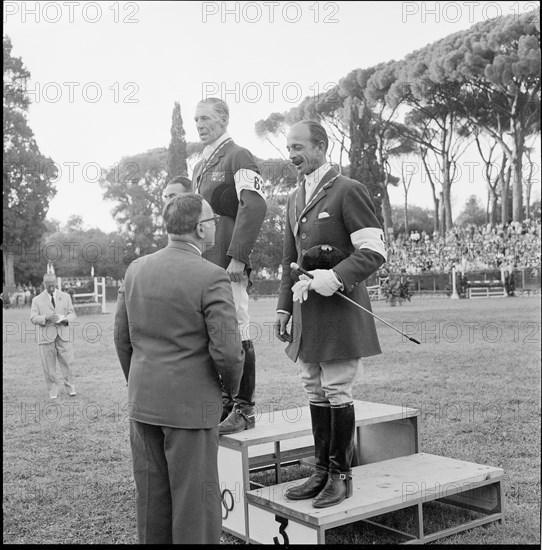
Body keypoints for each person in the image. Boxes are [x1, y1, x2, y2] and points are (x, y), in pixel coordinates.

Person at [114, 193, 244, 544]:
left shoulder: (136, 269)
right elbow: (229, 352)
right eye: (212, 220)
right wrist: (229, 392)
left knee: (152, 501)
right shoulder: (212, 276)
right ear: (201, 229)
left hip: (144, 402)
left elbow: (122, 339)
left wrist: (141, 381)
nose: (216, 225)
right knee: (195, 508)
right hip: (191, 406)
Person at [274, 120, 387, 508]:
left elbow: (374, 251)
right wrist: (283, 309)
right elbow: (288, 261)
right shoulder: (292, 198)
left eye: (299, 147)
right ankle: (320, 470)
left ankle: (341, 476)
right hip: (307, 312)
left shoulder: (348, 190)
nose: (292, 155)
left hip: (339, 309)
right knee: (313, 386)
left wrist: (336, 276)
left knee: (337, 388)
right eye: (288, 148)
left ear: (321, 146)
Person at [192, 97, 267, 434]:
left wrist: (238, 254)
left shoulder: (240, 156)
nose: (199, 125)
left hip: (228, 264)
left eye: (205, 118)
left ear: (223, 119)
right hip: (202, 263)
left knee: (237, 327)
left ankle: (244, 408)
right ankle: (223, 402)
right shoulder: (199, 165)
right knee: (214, 331)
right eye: (195, 120)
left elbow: (253, 205)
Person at [30, 273, 77, 399]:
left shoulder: (65, 297)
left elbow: (72, 314)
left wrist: (66, 320)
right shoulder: (37, 300)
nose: (51, 288)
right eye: (49, 286)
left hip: (63, 335)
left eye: (53, 285)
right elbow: (33, 318)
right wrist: (46, 318)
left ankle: (71, 388)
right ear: (44, 284)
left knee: (68, 363)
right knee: (49, 365)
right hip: (46, 337)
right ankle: (53, 391)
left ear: (56, 283)